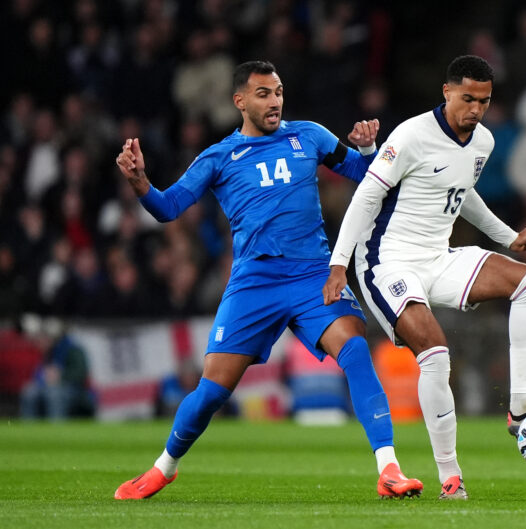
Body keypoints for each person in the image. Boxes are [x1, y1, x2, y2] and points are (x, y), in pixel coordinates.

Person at [113, 60, 422, 500]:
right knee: (210, 392)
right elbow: (169, 207)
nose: (274, 101)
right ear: (240, 101)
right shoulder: (219, 157)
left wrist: (369, 150)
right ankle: (164, 468)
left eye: (278, 92)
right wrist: (142, 183)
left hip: (313, 274)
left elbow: (366, 177)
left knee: (354, 352)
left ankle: (389, 469)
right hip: (254, 283)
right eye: (263, 94)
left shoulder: (309, 136)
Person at [323, 55, 526, 500]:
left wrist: (508, 237)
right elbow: (367, 196)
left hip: (438, 257)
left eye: (484, 101)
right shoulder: (409, 136)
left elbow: (463, 195)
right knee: (437, 352)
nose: (476, 109)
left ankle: (522, 404)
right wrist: (338, 265)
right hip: (387, 263)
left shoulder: (482, 141)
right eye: (467, 98)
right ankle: (452, 477)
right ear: (447, 92)